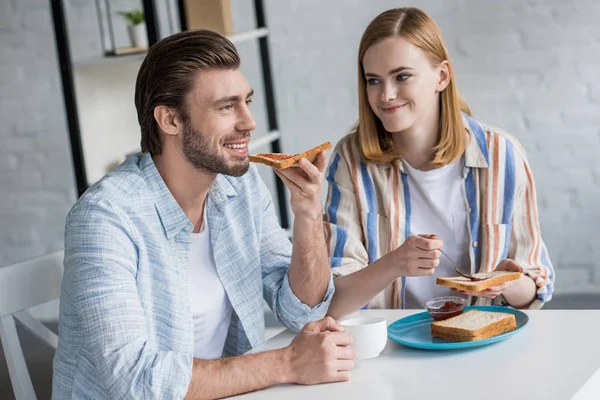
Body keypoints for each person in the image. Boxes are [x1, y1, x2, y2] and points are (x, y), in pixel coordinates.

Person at [52, 30, 354, 399]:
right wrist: (287, 363)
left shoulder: (238, 187)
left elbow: (302, 311)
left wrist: (307, 214)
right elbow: (134, 380)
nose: (249, 122)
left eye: (247, 101)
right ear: (170, 120)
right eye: (227, 107)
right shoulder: (105, 218)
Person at [324, 8, 555, 318]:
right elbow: (333, 302)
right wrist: (394, 264)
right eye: (373, 80)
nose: (386, 95)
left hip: (481, 342)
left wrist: (504, 282)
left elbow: (536, 289)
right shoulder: (349, 161)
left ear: (442, 76)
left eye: (402, 76)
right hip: (391, 345)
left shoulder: (503, 154)